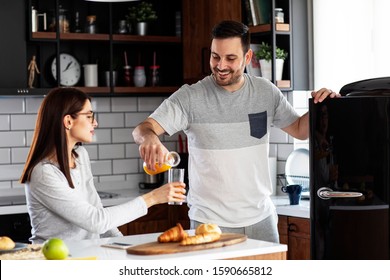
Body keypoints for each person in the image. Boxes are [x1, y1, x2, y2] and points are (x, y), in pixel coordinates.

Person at [132, 20, 340, 243]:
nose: (221, 66)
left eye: (230, 58)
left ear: (248, 58)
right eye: (215, 56)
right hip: (210, 224)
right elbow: (142, 129)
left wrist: (321, 105)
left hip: (262, 220)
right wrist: (150, 138)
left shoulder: (265, 92)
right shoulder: (190, 97)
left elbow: (300, 130)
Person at [20, 87, 186, 244]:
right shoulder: (43, 173)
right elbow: (96, 221)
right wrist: (153, 198)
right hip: (54, 262)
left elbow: (97, 210)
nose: (95, 123)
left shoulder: (80, 157)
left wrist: (123, 245)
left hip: (86, 257)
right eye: (89, 116)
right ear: (68, 121)